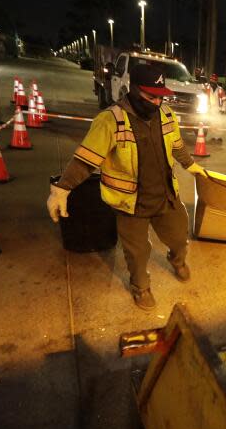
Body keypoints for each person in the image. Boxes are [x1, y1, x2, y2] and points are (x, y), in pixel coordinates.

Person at [46, 64, 207, 310]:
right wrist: (62, 188)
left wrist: (190, 165)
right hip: (130, 204)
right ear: (133, 89)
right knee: (137, 253)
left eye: (160, 96)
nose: (156, 102)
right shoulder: (110, 120)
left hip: (165, 196)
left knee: (178, 237)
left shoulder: (165, 114)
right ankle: (140, 287)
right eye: (150, 96)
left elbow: (176, 145)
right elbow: (86, 159)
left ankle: (177, 260)